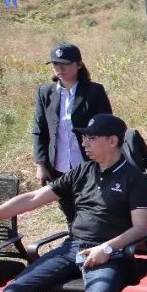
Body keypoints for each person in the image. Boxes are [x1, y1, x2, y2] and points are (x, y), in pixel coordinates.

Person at [0, 114, 147, 292]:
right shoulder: (82, 171)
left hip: (110, 252)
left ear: (112, 141)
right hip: (74, 246)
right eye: (83, 138)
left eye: (91, 138)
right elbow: (33, 198)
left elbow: (140, 228)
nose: (84, 143)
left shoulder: (133, 178)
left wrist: (107, 247)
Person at [32, 43, 113, 223]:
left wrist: (106, 160)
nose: (59, 69)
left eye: (65, 64)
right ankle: (75, 238)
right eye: (55, 64)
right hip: (59, 168)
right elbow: (39, 130)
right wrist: (41, 165)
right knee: (70, 214)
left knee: (95, 211)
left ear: (79, 65)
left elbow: (107, 126)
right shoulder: (45, 92)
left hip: (89, 164)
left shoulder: (94, 91)